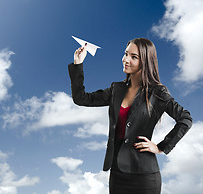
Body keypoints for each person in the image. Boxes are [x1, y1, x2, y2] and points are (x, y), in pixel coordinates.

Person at [68, 38, 192, 194]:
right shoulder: (116, 89)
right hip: (117, 174)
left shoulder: (157, 93)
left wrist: (161, 147)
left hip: (145, 177)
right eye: (126, 54)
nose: (126, 59)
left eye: (134, 57)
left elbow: (185, 119)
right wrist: (78, 64)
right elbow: (81, 99)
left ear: (146, 62)